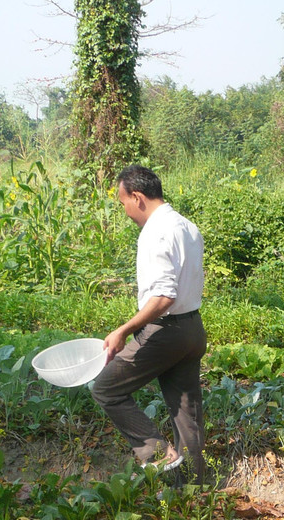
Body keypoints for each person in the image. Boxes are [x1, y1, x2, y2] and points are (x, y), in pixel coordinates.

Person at [92, 165, 207, 482]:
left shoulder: (155, 232)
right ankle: (194, 489)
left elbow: (163, 297)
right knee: (186, 412)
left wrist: (123, 330)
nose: (125, 209)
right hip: (193, 329)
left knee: (106, 389)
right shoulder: (187, 226)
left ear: (137, 197)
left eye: (123, 202)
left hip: (164, 333)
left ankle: (159, 454)